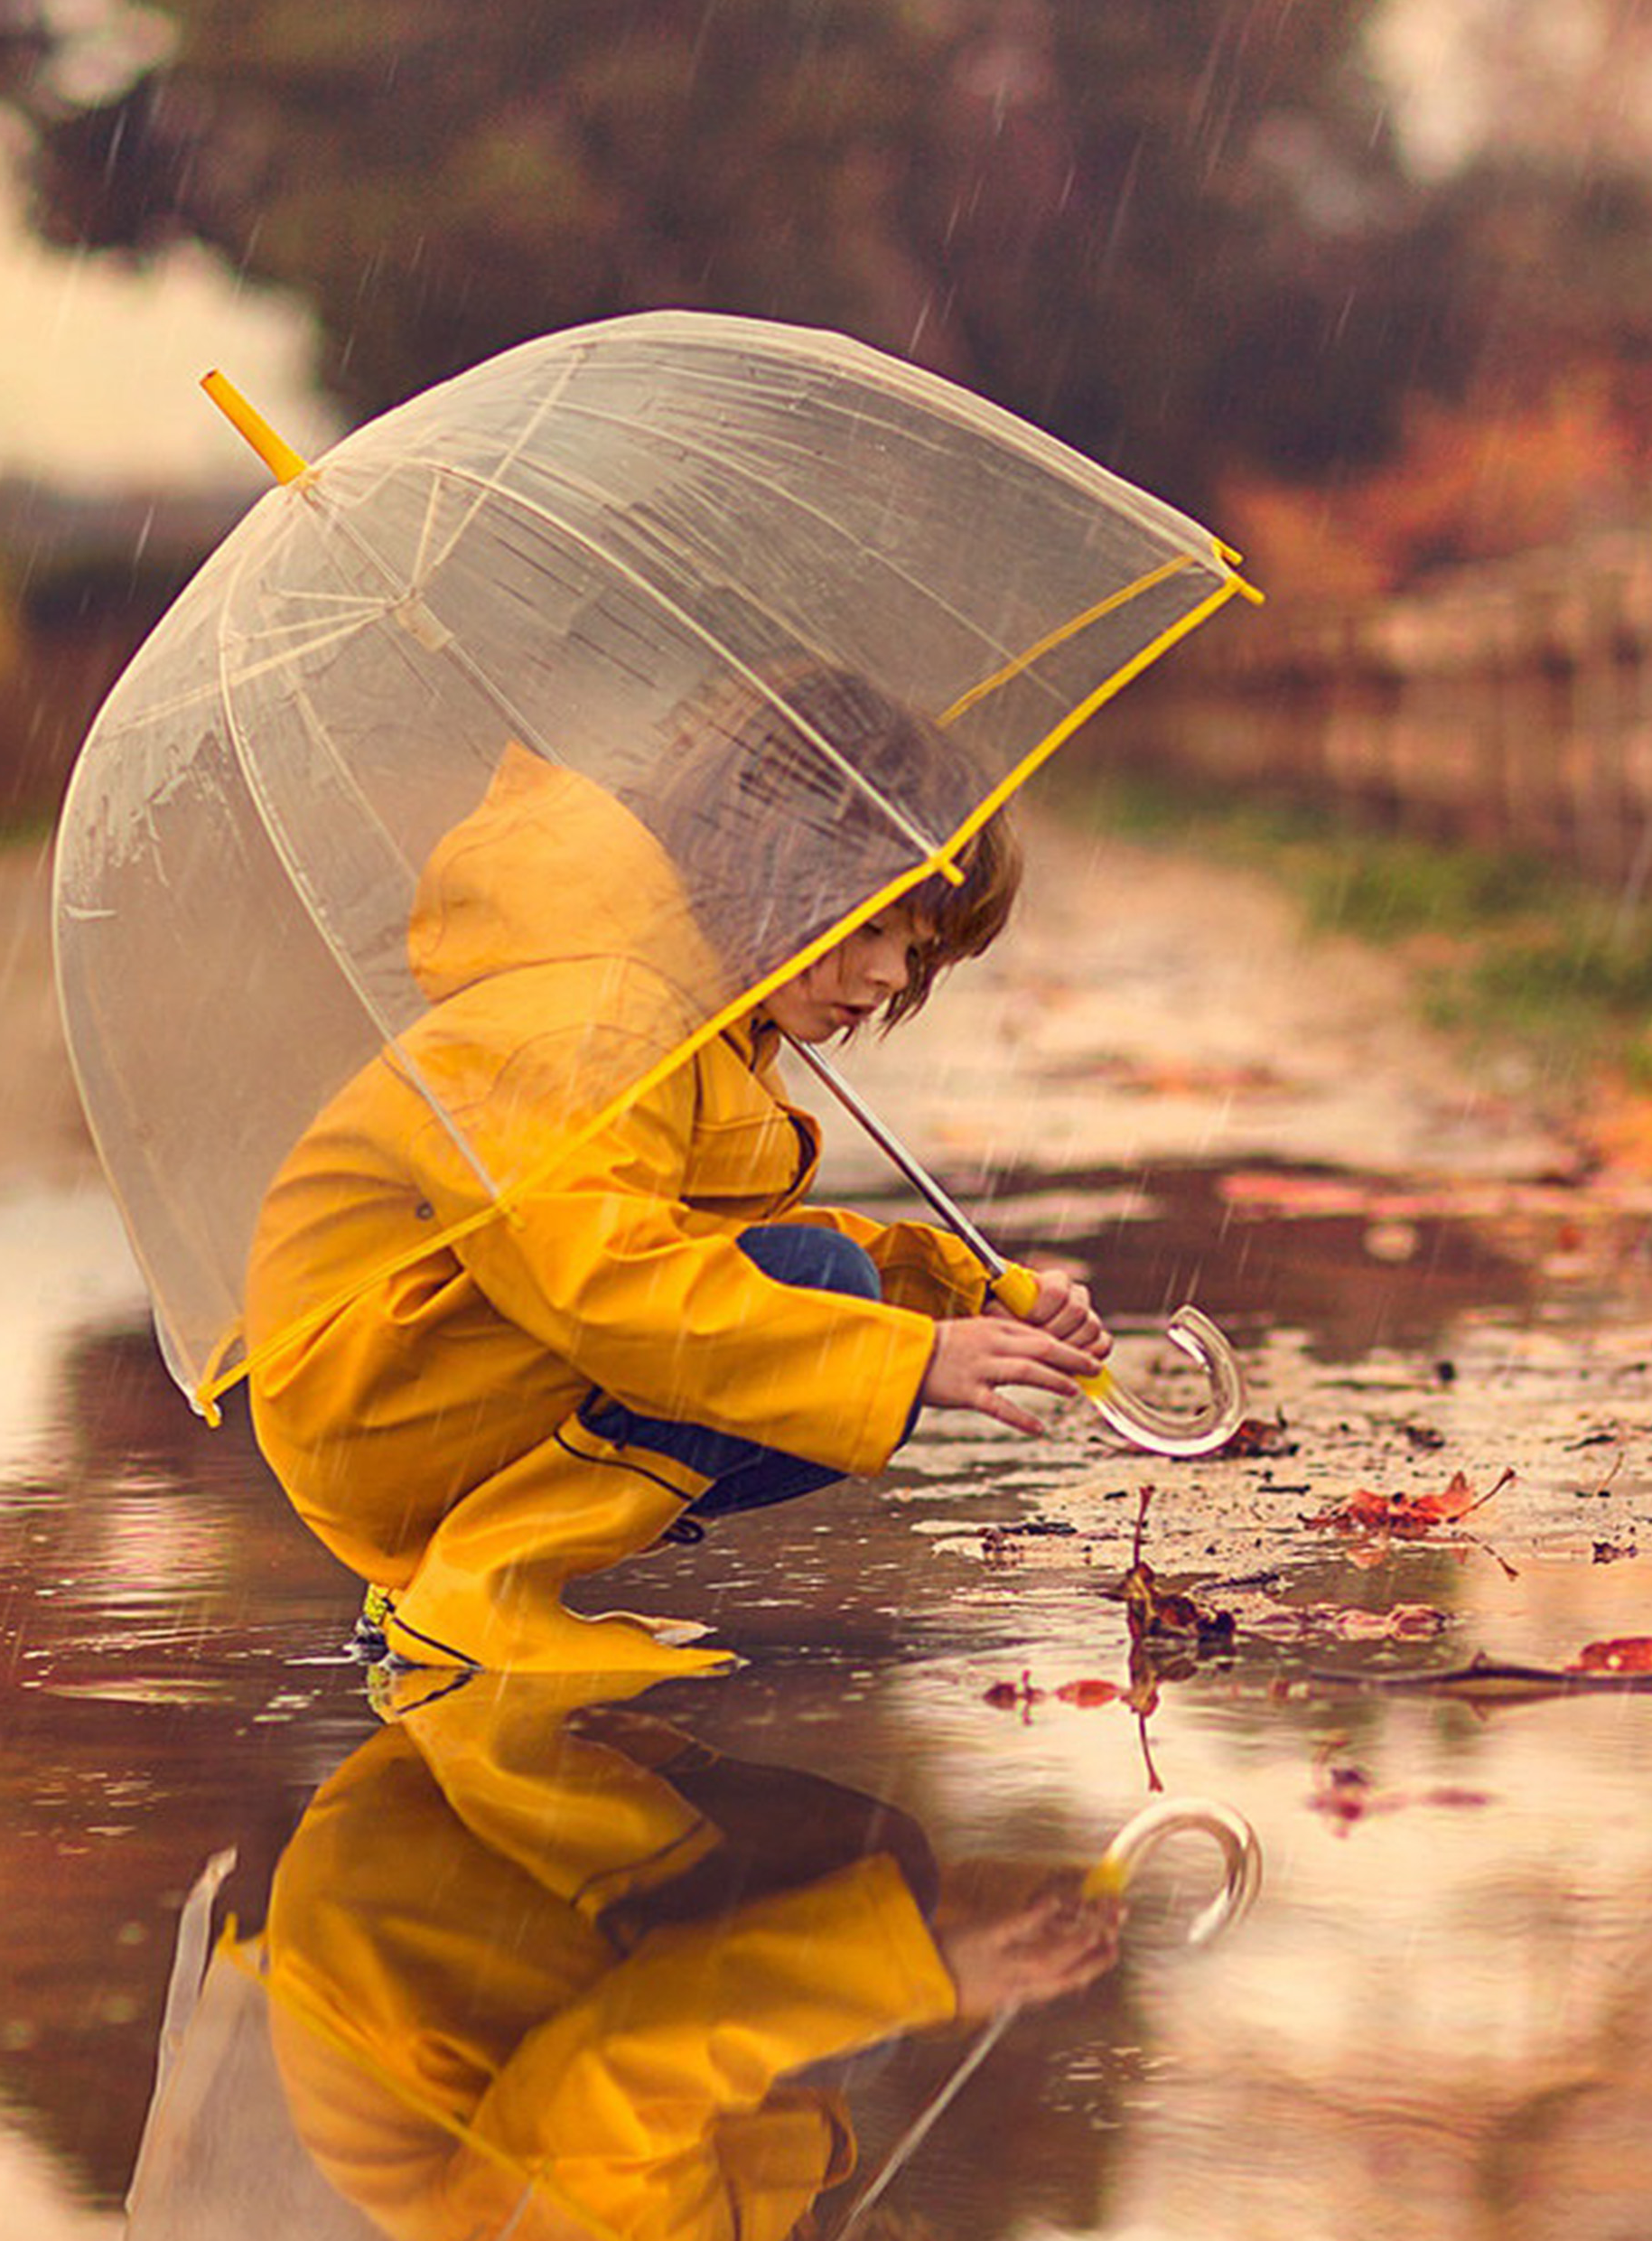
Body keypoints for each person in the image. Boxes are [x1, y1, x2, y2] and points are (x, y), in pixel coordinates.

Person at [244, 668, 1113, 1678]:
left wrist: (962, 1294)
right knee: (824, 1311)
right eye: (869, 927)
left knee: (840, 1311)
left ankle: (444, 1577)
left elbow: (691, 1244)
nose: (885, 980)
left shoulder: (701, 1011)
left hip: (436, 1378)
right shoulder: (596, 1017)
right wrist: (905, 1356)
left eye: (914, 953)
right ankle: (479, 1593)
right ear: (770, 863)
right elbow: (609, 1284)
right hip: (383, 1404)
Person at [260, 1667, 1120, 2241]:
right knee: (867, 1994)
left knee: (875, 1910)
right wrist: (982, 1931)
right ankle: (523, 1738)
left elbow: (620, 2072)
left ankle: (510, 1738)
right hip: (433, 1901)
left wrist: (928, 1963)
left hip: (414, 1914)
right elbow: (758, 2049)